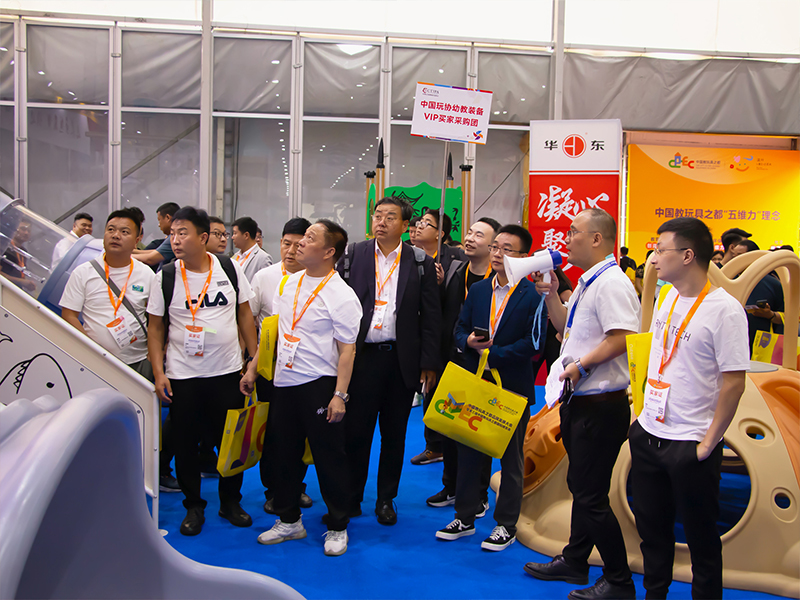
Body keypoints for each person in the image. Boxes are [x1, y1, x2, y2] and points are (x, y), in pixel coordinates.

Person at [629, 217, 749, 599]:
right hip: (649, 433)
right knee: (652, 533)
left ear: (687, 255)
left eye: (660, 250)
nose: (653, 258)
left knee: (701, 540)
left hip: (690, 443)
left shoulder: (725, 310)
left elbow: (734, 382)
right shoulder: (668, 297)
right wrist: (640, 416)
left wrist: (708, 443)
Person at [525, 208, 640, 600]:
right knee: (583, 487)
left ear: (596, 239)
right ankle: (575, 560)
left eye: (574, 231)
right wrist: (550, 294)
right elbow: (566, 329)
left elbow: (623, 336)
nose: (566, 238)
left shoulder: (612, 283)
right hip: (582, 400)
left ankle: (619, 580)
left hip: (600, 405)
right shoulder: (590, 282)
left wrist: (582, 365)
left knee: (590, 495)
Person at [252, 220, 362, 556]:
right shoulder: (289, 283)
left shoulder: (342, 295)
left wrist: (339, 395)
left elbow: (348, 351)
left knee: (329, 457)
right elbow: (274, 331)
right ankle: (289, 520)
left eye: (310, 238)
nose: (300, 242)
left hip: (320, 384)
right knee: (282, 455)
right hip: (284, 382)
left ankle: (338, 525)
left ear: (329, 252)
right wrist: (254, 366)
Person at [146, 206, 259, 536]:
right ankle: (193, 506)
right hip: (183, 376)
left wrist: (253, 360)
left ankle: (230, 502)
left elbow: (244, 314)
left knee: (230, 442)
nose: (175, 240)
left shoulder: (229, 268)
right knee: (185, 443)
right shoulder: (166, 275)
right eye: (172, 234)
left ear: (202, 237)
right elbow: (155, 328)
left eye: (183, 233)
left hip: (226, 372)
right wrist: (159, 373)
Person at [436, 224, 547, 551]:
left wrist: (493, 354)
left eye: (507, 249)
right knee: (469, 452)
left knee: (511, 459)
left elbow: (534, 343)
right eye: (496, 247)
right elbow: (459, 328)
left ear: (524, 257)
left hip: (512, 386)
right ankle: (465, 516)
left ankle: (506, 524)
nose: (498, 254)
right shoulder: (480, 289)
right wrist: (467, 342)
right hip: (477, 382)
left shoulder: (533, 295)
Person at [337, 196, 441, 526]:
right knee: (356, 432)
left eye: (389, 217)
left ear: (405, 225)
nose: (380, 222)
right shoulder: (354, 254)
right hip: (362, 358)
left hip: (400, 359)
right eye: (377, 215)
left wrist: (428, 363)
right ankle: (351, 497)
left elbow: (431, 317)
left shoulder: (419, 262)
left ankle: (386, 499)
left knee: (394, 435)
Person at [422, 217, 499, 509]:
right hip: (452, 361)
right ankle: (451, 486)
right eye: (469, 232)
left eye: (478, 235)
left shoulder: (498, 280)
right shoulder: (456, 271)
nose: (469, 238)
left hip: (484, 367)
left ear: (492, 246)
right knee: (450, 426)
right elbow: (443, 315)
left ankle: (478, 495)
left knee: (477, 434)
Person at [249, 217, 314, 514]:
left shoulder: (320, 280)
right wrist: (251, 362)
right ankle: (273, 489)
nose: (291, 250)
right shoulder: (264, 277)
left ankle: (297, 486)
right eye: (286, 243)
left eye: (298, 245)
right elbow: (249, 320)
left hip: (305, 367)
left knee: (300, 430)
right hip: (269, 366)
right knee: (272, 430)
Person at [60, 209, 155, 381]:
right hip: (95, 362)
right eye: (111, 230)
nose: (116, 235)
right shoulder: (83, 272)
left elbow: (157, 318)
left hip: (138, 361)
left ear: (137, 240)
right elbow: (69, 314)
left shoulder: (147, 274)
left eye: (124, 232)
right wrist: (90, 349)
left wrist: (153, 354)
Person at [728, 239, 785, 348]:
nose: (735, 260)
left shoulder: (773, 284)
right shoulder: (727, 280)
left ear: (753, 258)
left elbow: (786, 317)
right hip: (732, 341)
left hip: (762, 345)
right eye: (733, 255)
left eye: (739, 255)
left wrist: (770, 315)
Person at [414, 209, 466, 285]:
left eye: (426, 223)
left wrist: (442, 282)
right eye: (420, 222)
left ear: (439, 234)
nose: (419, 227)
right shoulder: (413, 255)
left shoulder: (455, 255)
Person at [133, 202, 180, 269]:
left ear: (168, 218)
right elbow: (155, 252)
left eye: (159, 220)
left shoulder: (174, 238)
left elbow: (150, 259)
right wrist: (131, 251)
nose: (159, 225)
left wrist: (124, 257)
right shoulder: (172, 237)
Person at [232, 216, 273, 282]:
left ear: (246, 235)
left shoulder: (263, 258)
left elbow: (266, 283)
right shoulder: (235, 256)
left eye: (235, 233)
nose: (232, 237)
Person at [1, 219, 37, 292]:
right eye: (23, 229)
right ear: (14, 229)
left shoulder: (23, 252)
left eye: (29, 231)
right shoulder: (5, 246)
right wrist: (20, 281)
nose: (26, 233)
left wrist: (27, 284)